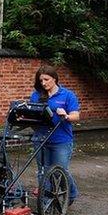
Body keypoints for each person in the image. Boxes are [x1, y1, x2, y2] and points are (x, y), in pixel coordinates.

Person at [29, 65, 80, 205]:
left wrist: (67, 116)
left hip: (61, 140)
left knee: (59, 171)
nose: (43, 83)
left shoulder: (67, 95)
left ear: (55, 79)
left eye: (46, 79)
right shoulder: (36, 95)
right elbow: (33, 113)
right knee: (43, 171)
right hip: (40, 139)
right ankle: (46, 202)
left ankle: (72, 193)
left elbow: (76, 116)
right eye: (41, 81)